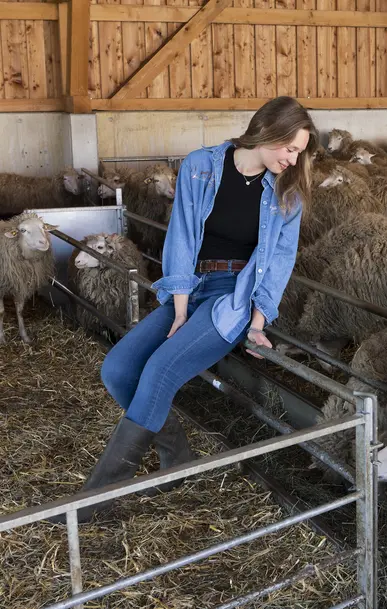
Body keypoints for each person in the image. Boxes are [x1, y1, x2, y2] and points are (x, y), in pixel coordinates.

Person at [54, 96, 318, 524]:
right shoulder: (202, 166)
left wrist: (257, 321)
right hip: (192, 286)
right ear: (266, 132)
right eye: (289, 148)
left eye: (299, 153)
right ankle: (176, 455)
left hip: (232, 297)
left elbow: (280, 261)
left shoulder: (287, 195)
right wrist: (178, 308)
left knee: (160, 370)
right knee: (118, 369)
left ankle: (95, 501)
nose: (293, 159)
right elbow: (180, 235)